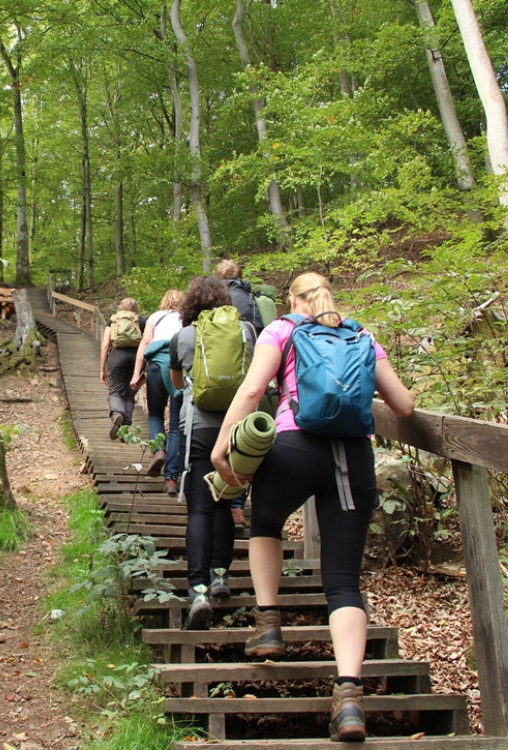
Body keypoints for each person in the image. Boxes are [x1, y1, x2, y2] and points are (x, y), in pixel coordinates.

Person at [210, 272, 414, 743]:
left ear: (291, 299)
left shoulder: (282, 329)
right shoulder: (362, 334)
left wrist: (222, 450)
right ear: (328, 297)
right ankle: (348, 698)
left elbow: (250, 390)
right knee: (343, 581)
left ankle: (269, 625)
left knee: (265, 520)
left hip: (294, 447)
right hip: (352, 457)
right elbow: (403, 405)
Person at [168, 277, 256, 630]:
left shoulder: (183, 337)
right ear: (224, 300)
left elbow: (176, 384)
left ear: (189, 304)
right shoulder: (246, 331)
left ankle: (198, 590)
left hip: (200, 430)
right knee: (227, 499)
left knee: (201, 508)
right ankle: (221, 575)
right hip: (238, 431)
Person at [213, 258, 264, 530]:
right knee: (242, 440)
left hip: (215, 374)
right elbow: (264, 335)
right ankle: (237, 505)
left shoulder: (213, 298)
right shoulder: (251, 300)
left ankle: (212, 494)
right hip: (247, 374)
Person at [130, 289, 185, 495]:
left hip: (155, 367)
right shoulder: (187, 319)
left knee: (155, 414)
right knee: (176, 425)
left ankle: (158, 450)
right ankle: (171, 479)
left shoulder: (155, 317)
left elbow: (145, 344)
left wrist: (136, 373)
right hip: (179, 369)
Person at [100, 297, 144, 440]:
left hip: (117, 356)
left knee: (115, 391)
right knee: (130, 394)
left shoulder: (113, 320)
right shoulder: (142, 321)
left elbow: (105, 345)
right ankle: (124, 428)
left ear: (121, 307)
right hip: (137, 358)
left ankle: (117, 413)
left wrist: (102, 369)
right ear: (136, 309)